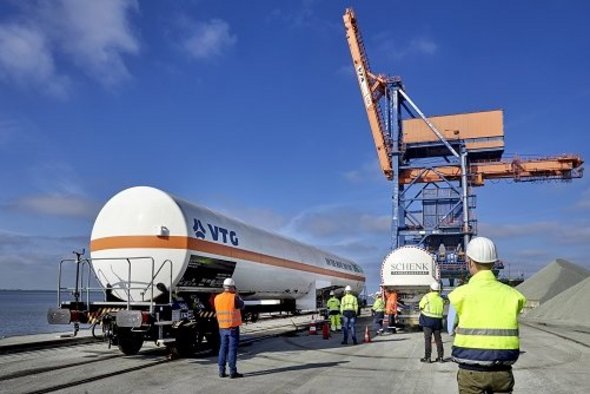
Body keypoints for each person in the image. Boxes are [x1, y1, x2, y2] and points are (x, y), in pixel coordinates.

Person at [448, 237, 526, 394]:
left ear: (470, 262)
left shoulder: (458, 294)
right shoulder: (514, 295)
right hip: (502, 371)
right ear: (494, 262)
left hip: (470, 371)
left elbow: (449, 328)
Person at [214, 277, 245, 379]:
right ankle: (232, 372)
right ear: (232, 287)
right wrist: (237, 294)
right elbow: (242, 305)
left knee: (222, 348)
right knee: (232, 350)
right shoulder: (234, 298)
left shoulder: (217, 298)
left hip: (222, 328)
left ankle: (221, 371)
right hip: (232, 328)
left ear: (224, 287)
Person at [419, 281, 445, 363]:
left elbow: (420, 306)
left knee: (428, 339)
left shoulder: (426, 297)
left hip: (427, 321)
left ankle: (428, 358)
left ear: (431, 289)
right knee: (438, 340)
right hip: (437, 322)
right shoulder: (441, 299)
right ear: (439, 290)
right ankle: (440, 357)